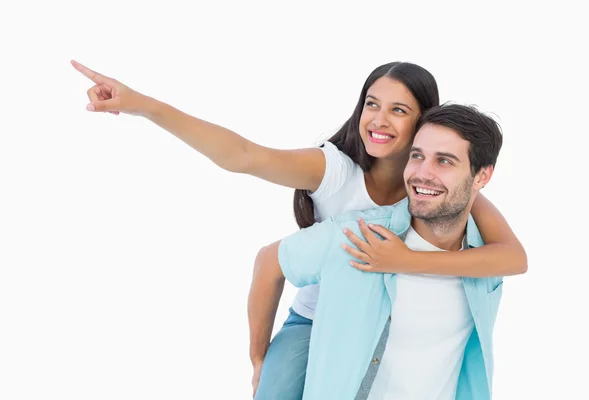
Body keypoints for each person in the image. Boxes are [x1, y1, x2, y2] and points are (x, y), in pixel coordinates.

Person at [71, 60, 527, 398]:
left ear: (424, 122)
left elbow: (513, 257)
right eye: (371, 104)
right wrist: (144, 106)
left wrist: (406, 261)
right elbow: (242, 156)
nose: (379, 120)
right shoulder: (336, 170)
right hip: (315, 319)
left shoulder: (438, 189)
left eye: (398, 110)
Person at [260, 103, 513, 399]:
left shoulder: (486, 258)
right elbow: (269, 261)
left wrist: (410, 261)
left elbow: (518, 260)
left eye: (444, 161)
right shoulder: (361, 236)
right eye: (417, 156)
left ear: (482, 176)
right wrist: (257, 359)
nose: (422, 173)